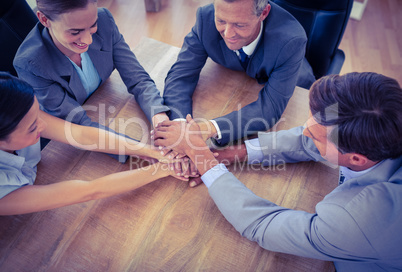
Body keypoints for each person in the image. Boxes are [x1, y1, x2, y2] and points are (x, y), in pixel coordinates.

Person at [153, 72, 402, 272]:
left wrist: (201, 156)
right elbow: (306, 138)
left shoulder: (361, 218)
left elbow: (262, 224)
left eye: (315, 135)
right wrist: (230, 154)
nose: (303, 131)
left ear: (357, 158)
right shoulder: (382, 126)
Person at [0, 72, 189, 216]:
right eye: (33, 128)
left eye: (38, 114)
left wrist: (153, 152)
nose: (43, 125)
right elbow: (89, 191)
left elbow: (82, 135)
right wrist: (165, 168)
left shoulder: (20, 112)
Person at [162, 0, 315, 146]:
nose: (228, 34)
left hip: (298, 88)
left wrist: (208, 128)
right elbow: (180, 77)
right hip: (234, 79)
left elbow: (270, 109)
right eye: (221, 21)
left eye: (239, 25)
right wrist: (180, 126)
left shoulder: (291, 41)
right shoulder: (205, 17)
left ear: (264, 12)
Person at [13, 0, 170, 136]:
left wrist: (160, 119)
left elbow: (138, 79)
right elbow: (78, 123)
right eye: (75, 32)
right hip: (71, 128)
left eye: (92, 25)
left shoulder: (104, 20)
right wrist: (140, 149)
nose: (88, 40)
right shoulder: (31, 64)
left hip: (104, 99)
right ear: (44, 20)